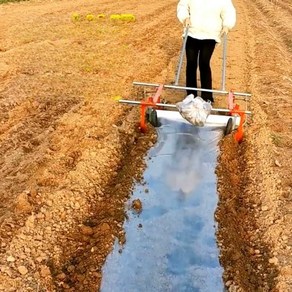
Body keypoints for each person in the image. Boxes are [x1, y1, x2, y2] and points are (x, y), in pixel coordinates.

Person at [177, 0, 236, 103]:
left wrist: (227, 25)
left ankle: (207, 96)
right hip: (192, 32)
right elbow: (183, 5)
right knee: (191, 63)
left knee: (204, 63)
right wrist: (185, 17)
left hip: (211, 34)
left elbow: (229, 11)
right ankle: (191, 94)